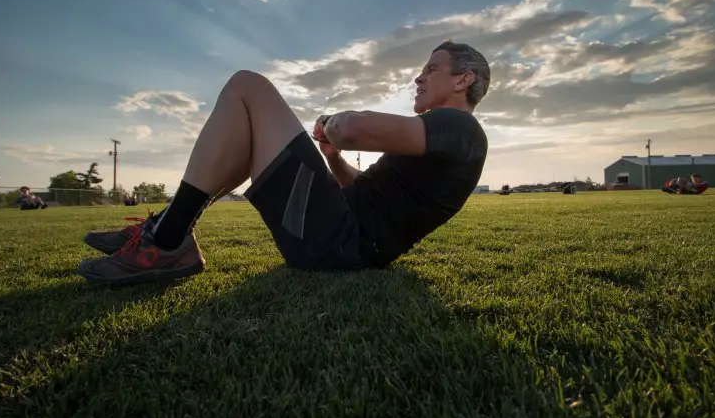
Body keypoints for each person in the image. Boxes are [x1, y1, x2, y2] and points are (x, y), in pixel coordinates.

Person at [79, 40, 490, 285]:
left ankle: (166, 241)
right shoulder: (444, 139)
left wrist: (332, 125)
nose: (419, 78)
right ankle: (167, 229)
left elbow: (353, 128)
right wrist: (333, 158)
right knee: (248, 124)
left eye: (431, 69)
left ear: (463, 80)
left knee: (248, 85)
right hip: (339, 239)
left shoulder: (460, 128)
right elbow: (367, 190)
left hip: (339, 245)